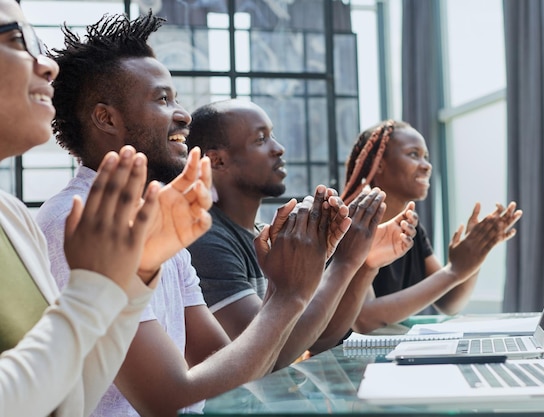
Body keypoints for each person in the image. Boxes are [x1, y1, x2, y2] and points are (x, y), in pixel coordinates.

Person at [36, 12, 347, 417]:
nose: (183, 114)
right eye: (163, 99)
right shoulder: (71, 222)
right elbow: (166, 398)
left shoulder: (163, 227)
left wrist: (283, 282)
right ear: (106, 118)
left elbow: (229, 363)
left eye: (176, 98)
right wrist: (289, 296)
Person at [0, 1, 212, 415]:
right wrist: (93, 294)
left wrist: (134, 281)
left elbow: (69, 401)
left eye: (39, 46)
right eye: (14, 40)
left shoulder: (13, 219)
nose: (47, 66)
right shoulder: (69, 219)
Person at [185, 99, 419, 362]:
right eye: (261, 140)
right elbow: (271, 356)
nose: (279, 149)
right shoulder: (207, 240)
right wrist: (344, 261)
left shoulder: (264, 234)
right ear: (217, 161)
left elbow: (321, 339)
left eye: (273, 136)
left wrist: (364, 263)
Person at [340, 119, 523, 333]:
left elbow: (449, 302)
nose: (426, 165)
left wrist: (475, 255)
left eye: (425, 156)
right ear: (379, 164)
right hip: (340, 362)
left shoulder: (412, 229)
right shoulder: (352, 226)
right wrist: (455, 270)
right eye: (413, 154)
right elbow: (365, 318)